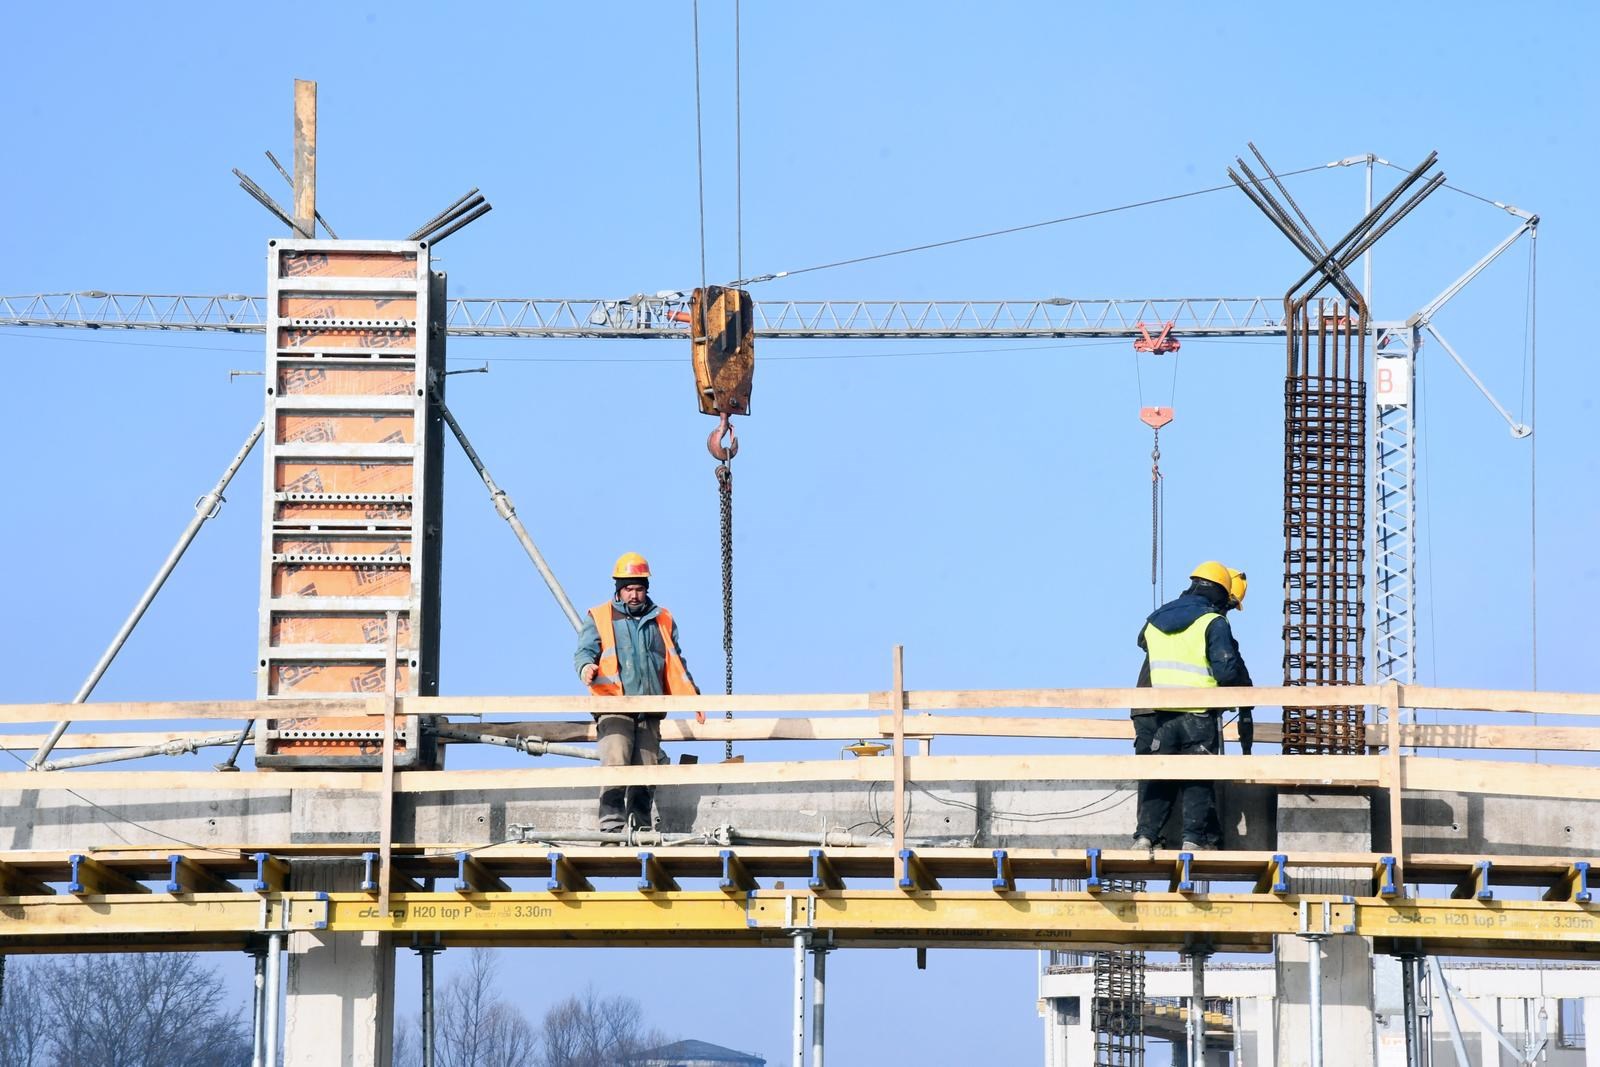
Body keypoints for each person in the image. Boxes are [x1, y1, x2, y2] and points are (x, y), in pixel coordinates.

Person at [1130, 560, 1254, 851]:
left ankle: (1146, 837)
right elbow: (1226, 668)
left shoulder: (1156, 619)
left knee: (1158, 774)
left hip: (1160, 711)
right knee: (1197, 777)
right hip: (1197, 710)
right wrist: (1238, 694)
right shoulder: (1212, 621)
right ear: (1222, 594)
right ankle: (1194, 841)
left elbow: (1144, 643)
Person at [575, 552, 701, 836]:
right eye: (628, 588)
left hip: (649, 709)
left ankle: (640, 827)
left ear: (646, 589)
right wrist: (586, 668)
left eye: (639, 588)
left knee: (646, 769)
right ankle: (611, 827)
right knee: (616, 762)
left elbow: (675, 660)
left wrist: (694, 694)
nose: (634, 595)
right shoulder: (600, 616)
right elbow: (584, 651)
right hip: (613, 705)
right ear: (618, 589)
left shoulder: (662, 619)